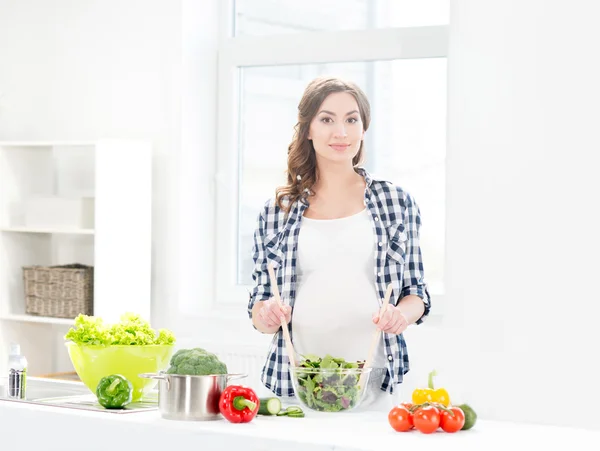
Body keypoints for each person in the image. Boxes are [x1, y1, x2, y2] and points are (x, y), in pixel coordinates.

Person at [247, 76, 431, 410]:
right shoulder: (277, 212)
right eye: (327, 119)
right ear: (308, 129)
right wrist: (268, 314)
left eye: (351, 120)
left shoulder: (395, 202)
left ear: (364, 129)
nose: (341, 133)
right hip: (298, 380)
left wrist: (400, 316)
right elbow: (259, 308)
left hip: (373, 379)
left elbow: (416, 294)